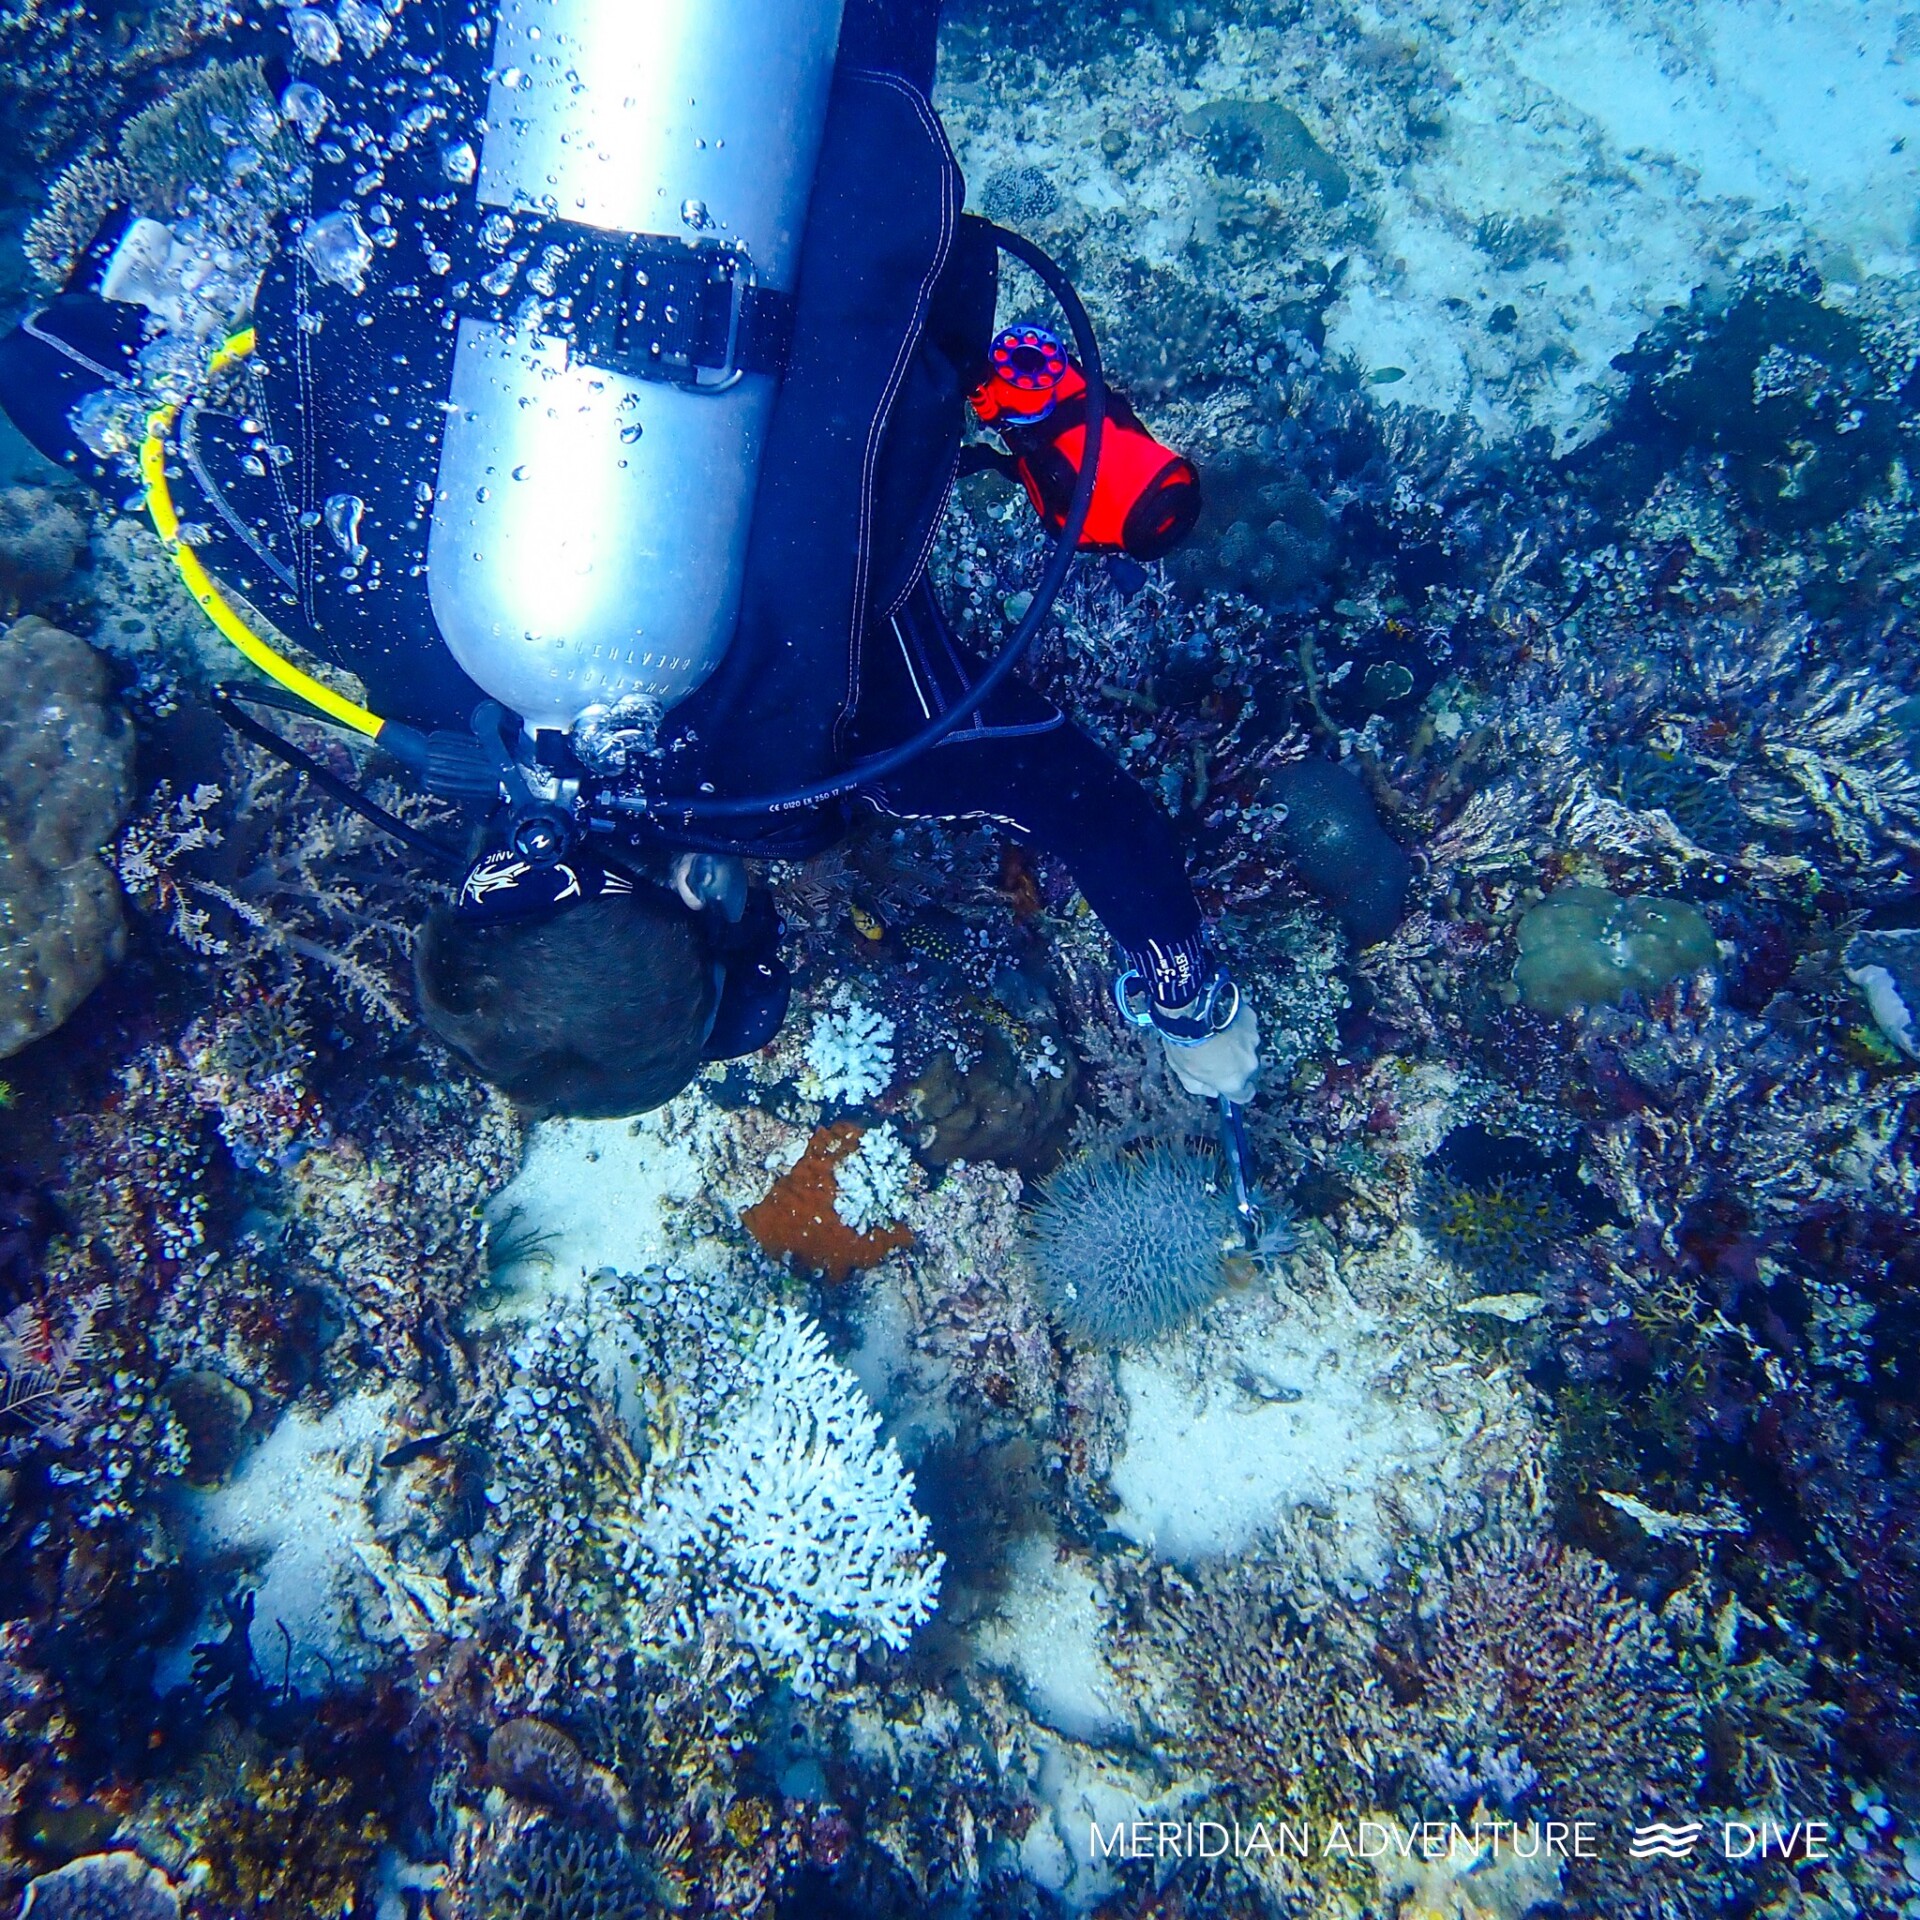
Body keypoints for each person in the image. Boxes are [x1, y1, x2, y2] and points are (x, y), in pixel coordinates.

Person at [0, 0, 1261, 1122]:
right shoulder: (357, 618)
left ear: (708, 893)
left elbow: (1090, 809)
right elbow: (58, 371)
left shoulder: (809, 720)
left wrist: (1191, 997)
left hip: (774, 85)